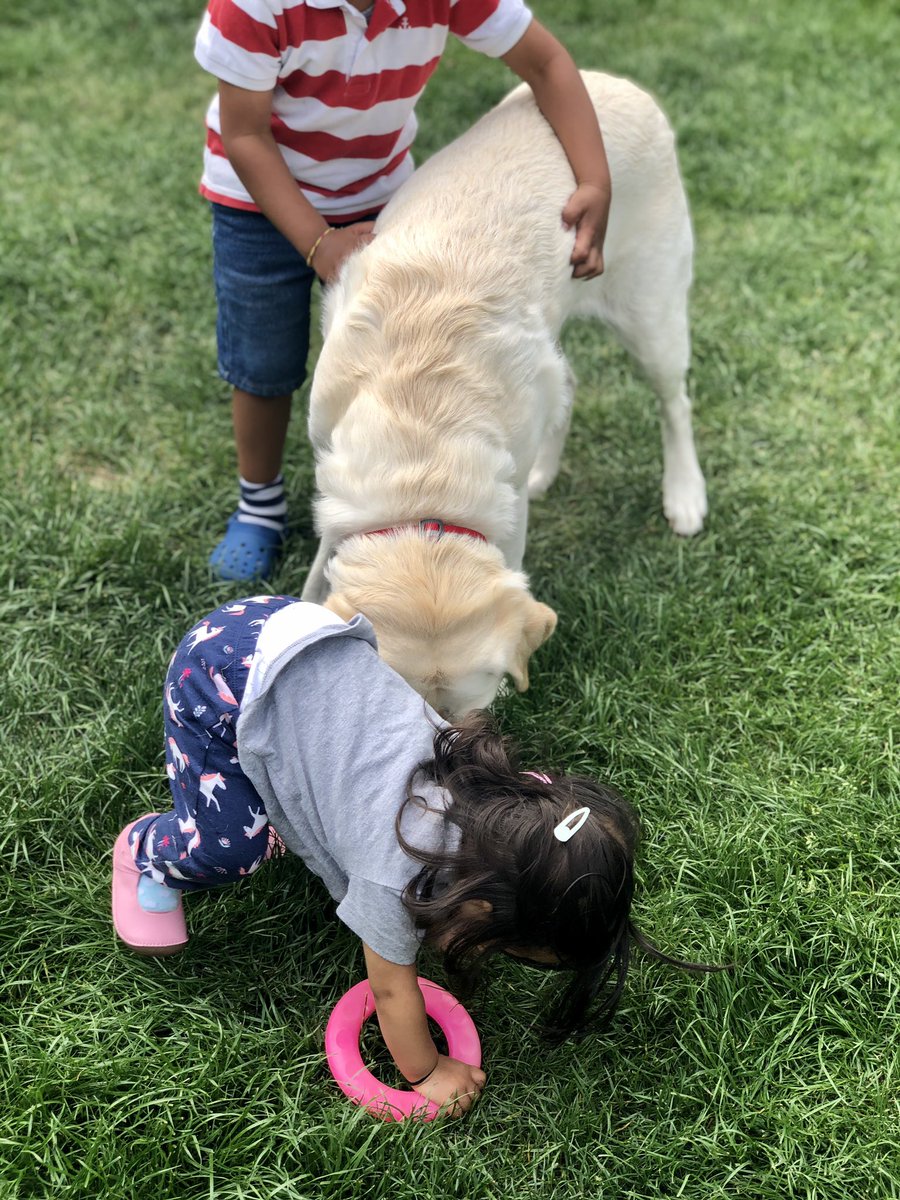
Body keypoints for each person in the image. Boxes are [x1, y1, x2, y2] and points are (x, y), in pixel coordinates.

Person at [111, 596, 712, 1117]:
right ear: (482, 904)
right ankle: (145, 854)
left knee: (294, 798)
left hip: (299, 630)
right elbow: (394, 991)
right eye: (508, 947)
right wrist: (426, 1075)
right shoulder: (395, 878)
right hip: (223, 678)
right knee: (232, 847)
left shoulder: (499, 798)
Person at [195, 0, 612, 580]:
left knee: (387, 355)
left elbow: (546, 63)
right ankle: (258, 503)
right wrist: (319, 243)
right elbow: (244, 135)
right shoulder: (253, 7)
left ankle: (372, 479)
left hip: (383, 194)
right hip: (256, 205)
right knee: (263, 364)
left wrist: (594, 177)